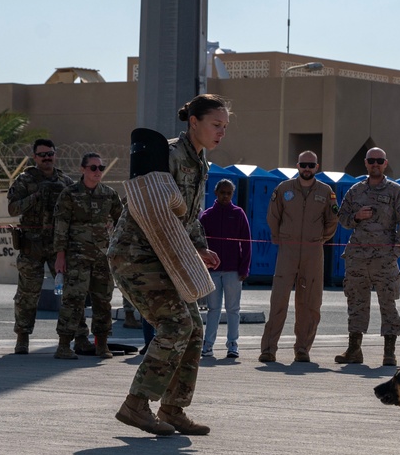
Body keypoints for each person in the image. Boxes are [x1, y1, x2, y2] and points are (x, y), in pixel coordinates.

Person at [109, 93, 229, 436]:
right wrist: (189, 248)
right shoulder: (169, 155)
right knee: (176, 324)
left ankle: (173, 408)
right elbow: (152, 209)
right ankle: (136, 404)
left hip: (165, 256)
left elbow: (186, 216)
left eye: (225, 126)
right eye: (215, 125)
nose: (221, 132)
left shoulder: (200, 162)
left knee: (193, 328)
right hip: (136, 255)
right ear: (194, 122)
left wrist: (199, 248)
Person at [8, 138, 89, 355]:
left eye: (50, 154)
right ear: (35, 157)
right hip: (31, 245)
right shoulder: (25, 180)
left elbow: (78, 207)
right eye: (42, 155)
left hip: (58, 246)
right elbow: (13, 208)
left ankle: (80, 336)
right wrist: (35, 196)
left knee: (72, 291)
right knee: (27, 293)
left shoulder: (64, 181)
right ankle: (22, 337)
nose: (47, 158)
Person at [335, 147, 400, 366]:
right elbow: (343, 218)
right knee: (356, 303)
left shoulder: (396, 191)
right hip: (357, 256)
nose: (375, 164)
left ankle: (389, 352)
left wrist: (394, 253)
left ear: (385, 163)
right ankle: (354, 350)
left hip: (384, 258)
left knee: (388, 303)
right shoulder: (355, 190)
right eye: (371, 161)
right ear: (366, 164)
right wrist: (356, 217)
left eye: (379, 160)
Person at [259, 151, 338, 363]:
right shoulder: (284, 189)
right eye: (303, 164)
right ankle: (268, 349)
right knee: (279, 300)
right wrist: (278, 237)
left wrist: (321, 238)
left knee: (310, 303)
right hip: (288, 250)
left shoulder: (326, 191)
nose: (307, 168)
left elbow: (332, 219)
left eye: (311, 165)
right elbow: (273, 215)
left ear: (317, 167)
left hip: (313, 252)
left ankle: (302, 349)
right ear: (297, 165)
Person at [52, 153, 123, 360]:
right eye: (93, 168)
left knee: (103, 301)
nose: (98, 172)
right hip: (76, 257)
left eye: (101, 168)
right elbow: (61, 227)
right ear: (82, 169)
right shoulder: (70, 194)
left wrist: (118, 249)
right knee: (73, 300)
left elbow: (122, 222)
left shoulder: (109, 195)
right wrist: (60, 255)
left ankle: (101, 345)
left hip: (102, 257)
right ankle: (64, 345)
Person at [199, 178, 252, 359]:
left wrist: (244, 269)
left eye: (229, 193)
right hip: (212, 272)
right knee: (213, 309)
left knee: (233, 309)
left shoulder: (238, 214)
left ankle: (232, 344)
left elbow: (246, 244)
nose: (226, 196)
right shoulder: (206, 216)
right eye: (223, 192)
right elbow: (200, 244)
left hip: (233, 271)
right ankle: (208, 345)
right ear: (216, 193)